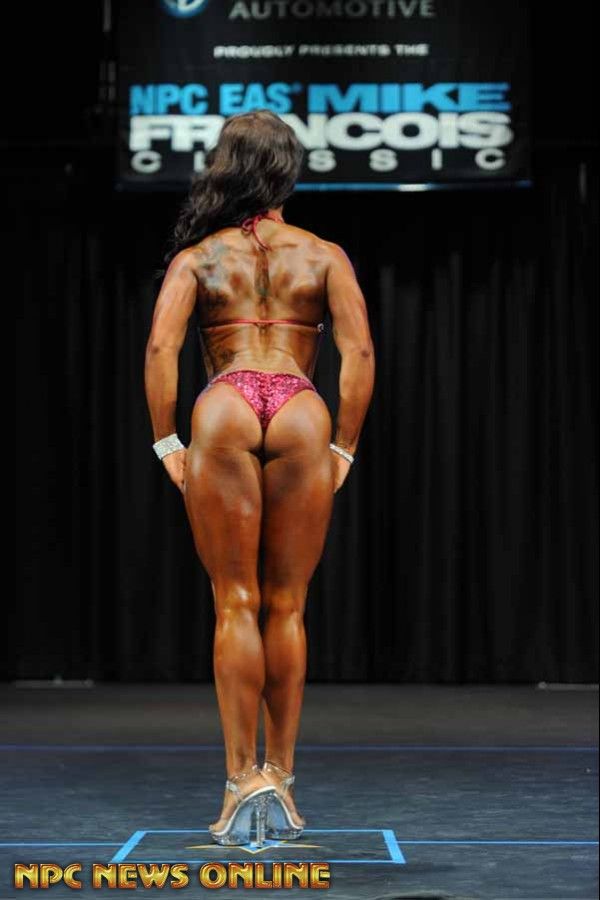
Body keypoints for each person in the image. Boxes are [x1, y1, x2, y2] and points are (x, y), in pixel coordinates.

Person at [144, 109, 375, 847]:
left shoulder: (200, 258)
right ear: (287, 174)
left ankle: (239, 781)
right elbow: (359, 354)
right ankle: (284, 779)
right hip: (301, 406)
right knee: (289, 606)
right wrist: (343, 447)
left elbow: (161, 349)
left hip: (225, 405)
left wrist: (166, 440)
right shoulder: (324, 255)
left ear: (226, 168)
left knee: (234, 602)